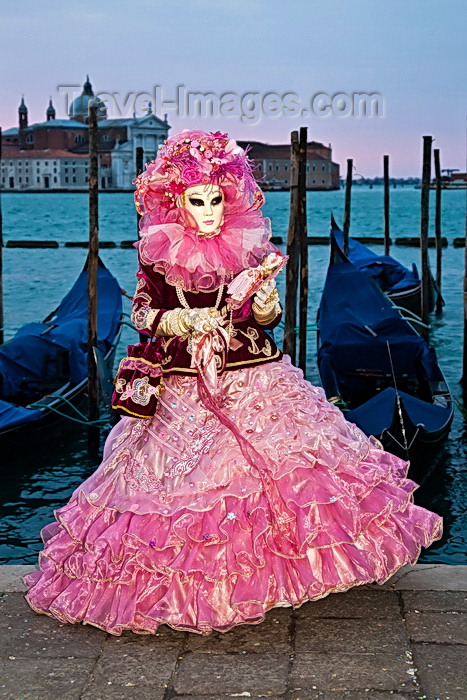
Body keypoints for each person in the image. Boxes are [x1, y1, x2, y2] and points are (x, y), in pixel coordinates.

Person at [24, 129, 442, 636]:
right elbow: (143, 313)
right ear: (176, 203)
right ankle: (192, 589)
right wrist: (187, 323)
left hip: (253, 371)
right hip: (183, 379)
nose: (208, 211)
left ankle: (281, 575)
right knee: (188, 488)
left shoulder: (247, 246)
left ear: (231, 197)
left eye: (216, 200)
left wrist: (262, 297)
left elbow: (265, 317)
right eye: (196, 201)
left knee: (295, 469)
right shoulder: (158, 252)